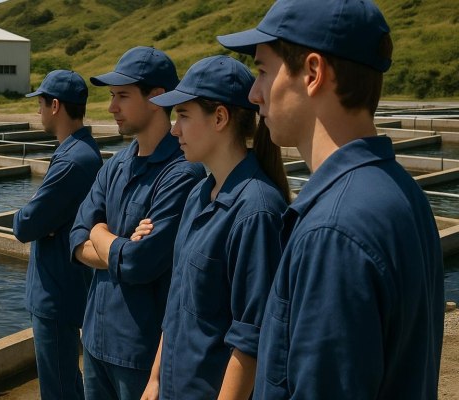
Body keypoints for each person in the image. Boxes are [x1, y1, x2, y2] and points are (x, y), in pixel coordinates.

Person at [217, 0, 444, 398]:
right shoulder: (400, 191)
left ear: (313, 73)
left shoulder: (333, 229)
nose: (254, 94)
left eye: (264, 71)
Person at [136, 55, 290, 400]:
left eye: (183, 115)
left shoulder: (257, 211)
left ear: (219, 117)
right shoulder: (199, 194)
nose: (174, 129)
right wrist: (156, 379)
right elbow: (177, 301)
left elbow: (251, 339)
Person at [69, 46, 207, 399]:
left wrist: (98, 232)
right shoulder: (116, 164)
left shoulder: (182, 172)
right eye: (112, 96)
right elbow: (77, 237)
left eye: (123, 96)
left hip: (142, 352)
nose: (112, 107)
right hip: (96, 339)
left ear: (157, 98)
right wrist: (117, 241)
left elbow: (140, 263)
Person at [13, 69, 103, 400]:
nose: (37, 110)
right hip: (62, 286)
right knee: (66, 383)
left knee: (59, 389)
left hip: (55, 292)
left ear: (55, 106)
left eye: (40, 103)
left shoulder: (73, 161)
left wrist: (25, 213)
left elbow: (25, 225)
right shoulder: (79, 151)